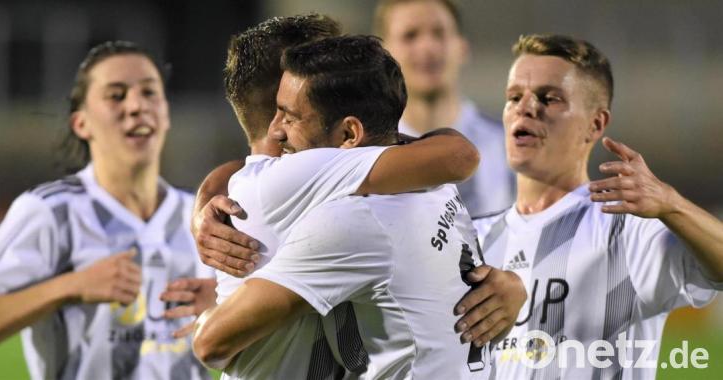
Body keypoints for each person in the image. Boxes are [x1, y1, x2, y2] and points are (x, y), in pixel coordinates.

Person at [189, 35, 527, 379]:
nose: (276, 131)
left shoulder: (351, 221)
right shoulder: (432, 180)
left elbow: (211, 343)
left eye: (290, 117)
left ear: (350, 134)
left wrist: (209, 309)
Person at [0, 41, 216, 380]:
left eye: (149, 92)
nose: (136, 106)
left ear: (166, 112)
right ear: (81, 123)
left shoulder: (199, 215)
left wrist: (226, 307)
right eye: (116, 95)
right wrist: (70, 286)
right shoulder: (52, 212)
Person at [474, 34, 723, 379]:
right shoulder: (473, 240)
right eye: (514, 97)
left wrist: (673, 205)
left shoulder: (626, 229)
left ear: (596, 124)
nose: (525, 107)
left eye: (549, 98)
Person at [373, 0, 515, 216]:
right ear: (384, 55)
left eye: (439, 33)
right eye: (410, 35)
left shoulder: (509, 145)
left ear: (463, 47)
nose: (427, 47)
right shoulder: (368, 156)